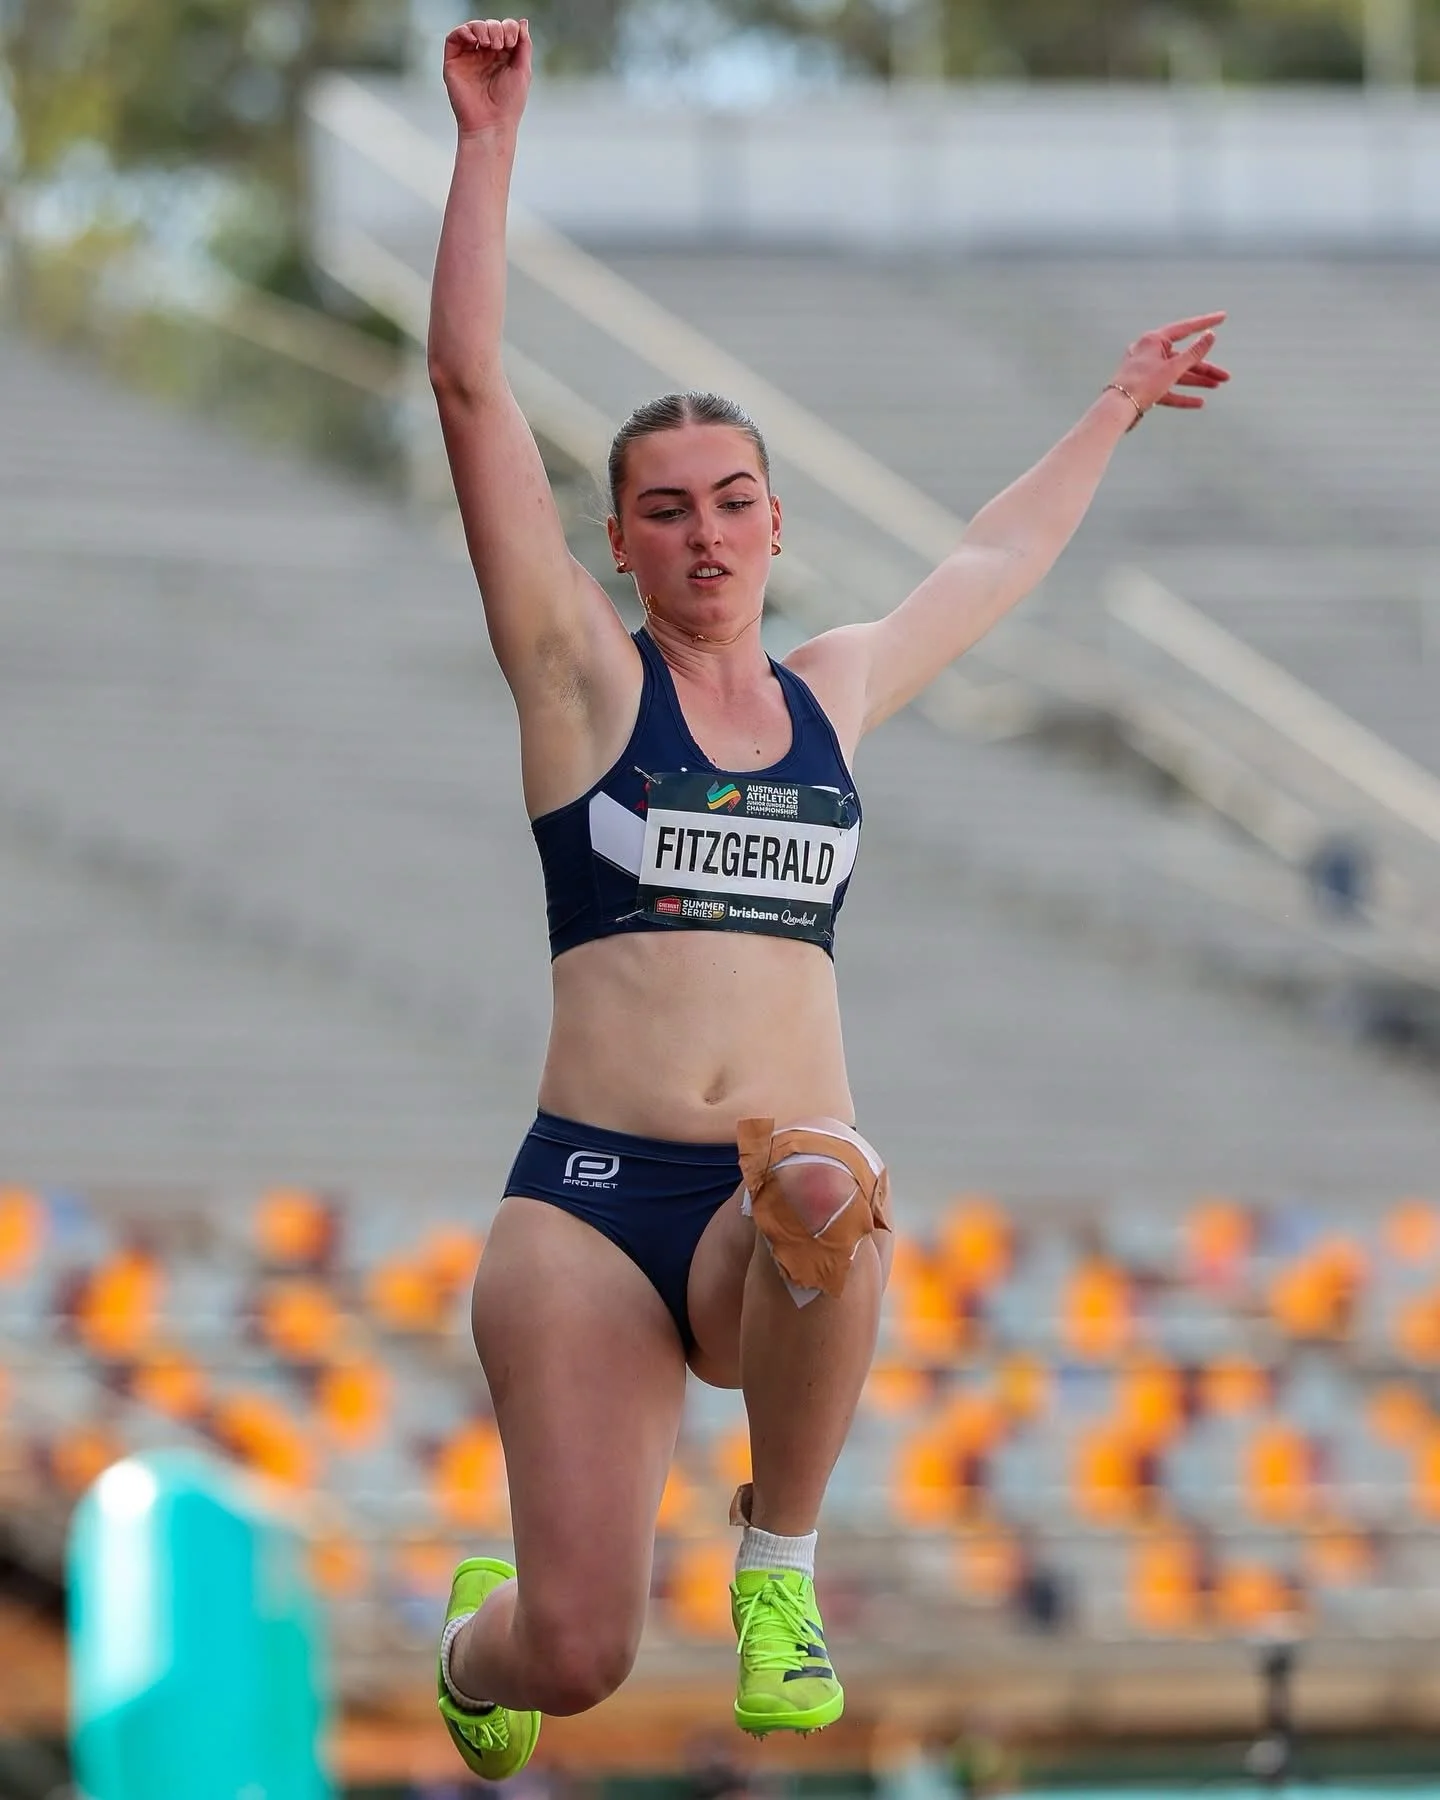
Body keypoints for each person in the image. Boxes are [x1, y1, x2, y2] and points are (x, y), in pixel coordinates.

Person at [427, 15, 1230, 1783]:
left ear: (777, 525)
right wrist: (488, 146)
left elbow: (992, 556)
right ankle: (481, 1633)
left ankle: (775, 1567)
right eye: (664, 512)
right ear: (621, 542)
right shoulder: (580, 680)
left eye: (733, 503)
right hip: (586, 1207)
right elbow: (473, 392)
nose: (705, 536)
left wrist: (1108, 408)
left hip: (760, 1214)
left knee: (828, 1176)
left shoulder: (833, 693)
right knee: (576, 1655)